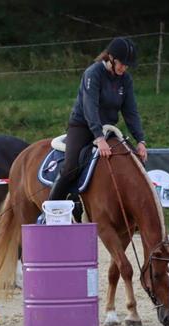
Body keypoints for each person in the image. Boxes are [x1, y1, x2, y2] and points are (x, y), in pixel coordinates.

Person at [48, 37, 148, 202]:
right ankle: (51, 208)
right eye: (122, 63)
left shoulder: (126, 80)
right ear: (111, 58)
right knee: (71, 167)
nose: (124, 68)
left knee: (133, 160)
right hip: (82, 126)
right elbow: (90, 107)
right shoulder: (93, 73)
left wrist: (140, 140)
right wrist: (99, 138)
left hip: (108, 128)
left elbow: (131, 111)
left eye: (127, 65)